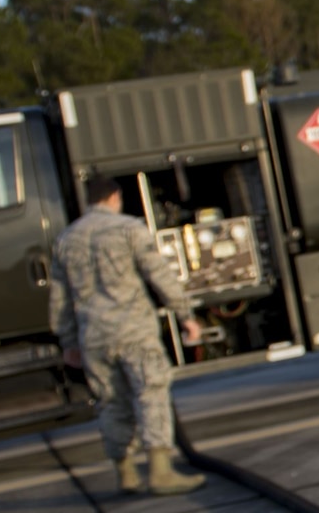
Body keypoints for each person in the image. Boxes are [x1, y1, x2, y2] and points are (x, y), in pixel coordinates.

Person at [49, 176, 209, 495]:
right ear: (114, 197)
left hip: (93, 335)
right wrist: (186, 315)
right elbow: (159, 275)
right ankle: (161, 471)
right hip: (133, 330)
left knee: (110, 402)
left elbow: (59, 298)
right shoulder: (128, 229)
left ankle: (126, 474)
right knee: (150, 392)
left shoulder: (66, 240)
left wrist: (67, 342)